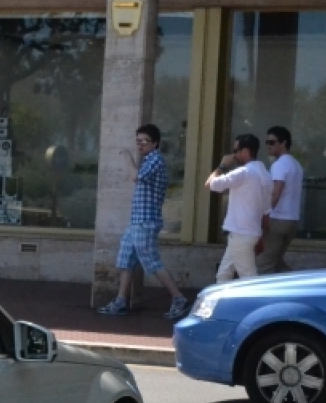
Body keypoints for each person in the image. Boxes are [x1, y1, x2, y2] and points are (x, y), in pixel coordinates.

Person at [98, 124, 191, 319]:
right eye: (138, 141)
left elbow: (135, 176)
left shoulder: (155, 159)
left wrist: (128, 158)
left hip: (146, 222)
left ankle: (179, 298)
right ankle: (121, 301)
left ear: (155, 143)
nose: (140, 145)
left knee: (152, 262)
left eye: (144, 141)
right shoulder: (149, 160)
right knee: (125, 259)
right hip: (136, 222)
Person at [206, 133, 273, 282]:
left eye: (235, 151)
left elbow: (210, 184)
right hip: (249, 234)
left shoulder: (244, 172)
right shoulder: (266, 175)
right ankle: (224, 304)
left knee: (249, 279)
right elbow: (266, 212)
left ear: (245, 152)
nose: (233, 155)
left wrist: (222, 165)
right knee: (223, 274)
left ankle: (259, 304)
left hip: (241, 234)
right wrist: (260, 235)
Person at [259, 125, 302, 274]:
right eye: (267, 143)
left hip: (277, 219)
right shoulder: (296, 164)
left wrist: (264, 215)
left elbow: (276, 192)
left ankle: (264, 296)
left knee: (264, 263)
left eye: (272, 142)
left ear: (284, 143)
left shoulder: (279, 165)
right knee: (277, 261)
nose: (268, 146)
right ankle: (296, 286)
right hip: (292, 219)